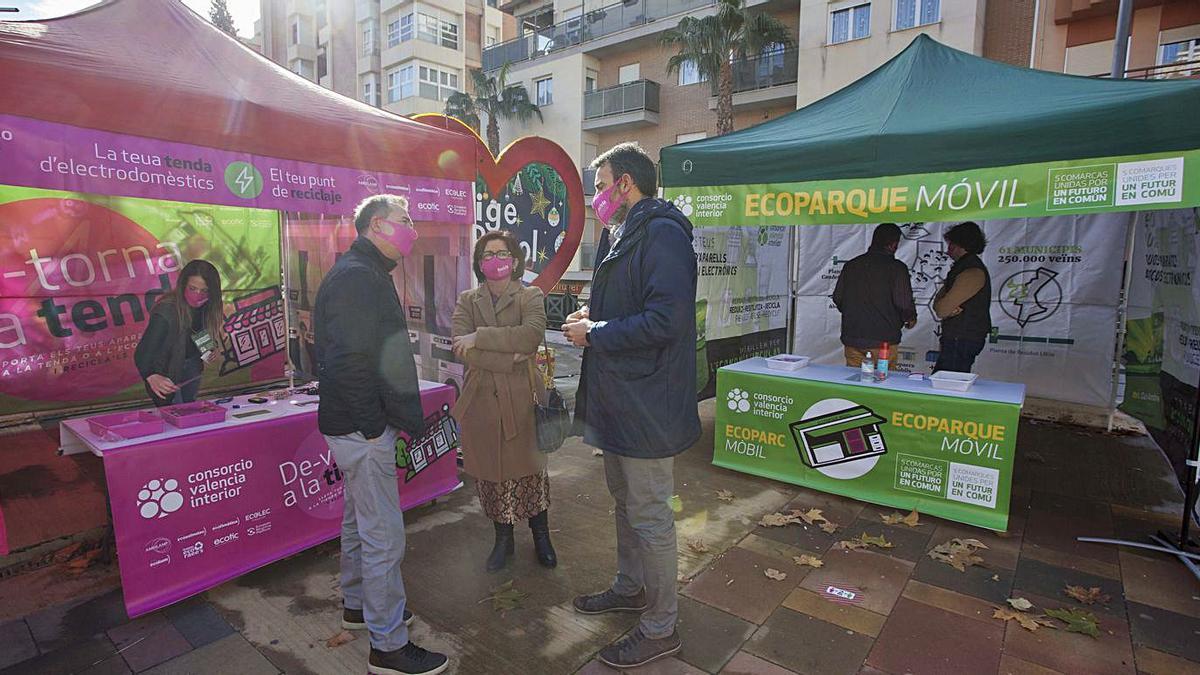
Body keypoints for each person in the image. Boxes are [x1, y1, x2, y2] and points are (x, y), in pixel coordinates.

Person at [563, 142, 701, 669]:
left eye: (599, 186)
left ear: (625, 184)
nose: (596, 197)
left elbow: (667, 321)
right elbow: (630, 308)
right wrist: (593, 313)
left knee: (650, 515)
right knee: (626, 504)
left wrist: (595, 331)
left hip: (647, 404)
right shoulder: (623, 232)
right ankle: (630, 587)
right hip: (621, 399)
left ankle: (662, 627)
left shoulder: (663, 234)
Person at [313, 195, 447, 675]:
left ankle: (357, 605)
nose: (412, 229)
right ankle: (388, 645)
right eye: (404, 221)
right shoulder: (357, 277)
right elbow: (346, 362)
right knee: (383, 535)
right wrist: (372, 427)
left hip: (354, 425)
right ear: (376, 226)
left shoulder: (364, 273)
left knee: (358, 519)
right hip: (361, 428)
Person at [450, 230, 554, 573]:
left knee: (530, 471)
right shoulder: (468, 299)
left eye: (502, 253)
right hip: (481, 400)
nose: (496, 259)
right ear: (480, 263)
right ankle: (503, 539)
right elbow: (460, 348)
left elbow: (531, 335)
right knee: (492, 476)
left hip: (523, 398)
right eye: (488, 254)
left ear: (514, 259)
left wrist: (479, 336)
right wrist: (509, 358)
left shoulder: (530, 295)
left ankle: (541, 535)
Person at [134, 259, 224, 406]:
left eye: (204, 290)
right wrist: (151, 375)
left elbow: (197, 329)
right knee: (175, 413)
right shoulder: (166, 311)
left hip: (192, 365)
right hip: (167, 370)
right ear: (183, 286)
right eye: (192, 288)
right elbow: (143, 352)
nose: (198, 295)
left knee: (189, 407)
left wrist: (207, 349)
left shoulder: (206, 305)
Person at [831, 223, 917, 367]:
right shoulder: (897, 268)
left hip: (853, 337)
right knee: (884, 384)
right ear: (893, 245)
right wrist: (910, 318)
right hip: (884, 341)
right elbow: (903, 302)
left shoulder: (852, 265)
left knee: (855, 382)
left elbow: (838, 297)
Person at [933, 221, 992, 373]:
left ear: (959, 244)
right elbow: (941, 306)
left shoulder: (971, 271)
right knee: (947, 382)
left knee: (947, 384)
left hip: (961, 338)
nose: (948, 250)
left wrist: (944, 304)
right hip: (961, 337)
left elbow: (941, 309)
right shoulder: (967, 268)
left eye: (951, 244)